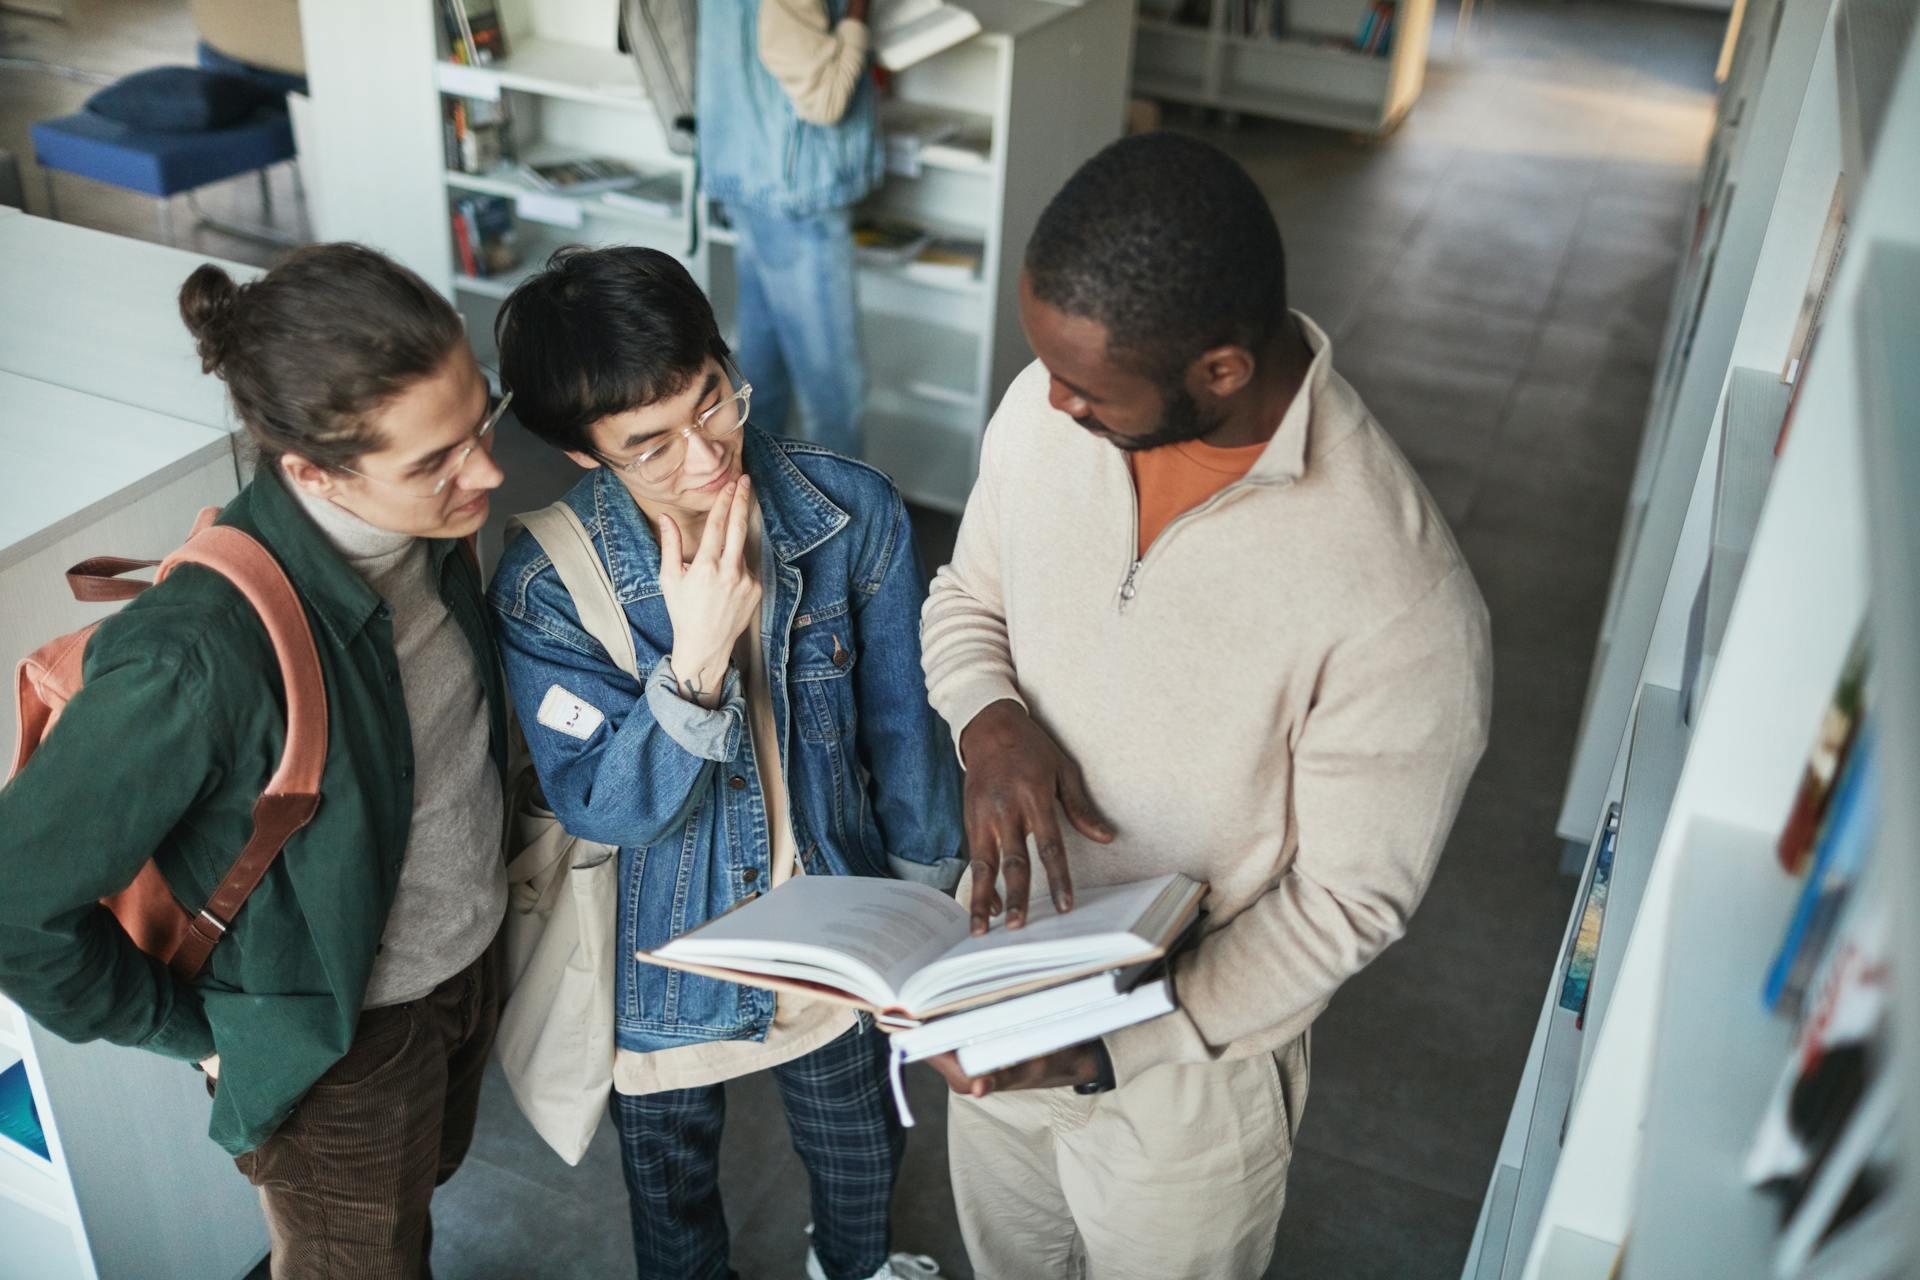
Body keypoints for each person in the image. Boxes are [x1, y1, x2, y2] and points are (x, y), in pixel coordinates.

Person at [919, 133, 1495, 1278]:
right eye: (1049, 370)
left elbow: (1346, 905)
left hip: (1184, 1088)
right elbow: (966, 593)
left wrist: (1110, 1047)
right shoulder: (1049, 407)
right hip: (1001, 984)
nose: (1053, 400)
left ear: (1223, 370)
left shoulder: (1398, 593)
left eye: (1088, 389)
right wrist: (989, 716)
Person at [0, 243, 512, 1278]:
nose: (489, 472)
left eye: (480, 423)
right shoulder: (194, 656)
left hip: (460, 974)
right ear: (312, 472)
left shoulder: (424, 532)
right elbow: (13, 901)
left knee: (406, 1226)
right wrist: (196, 1030)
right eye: (435, 460)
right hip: (336, 1047)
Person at [487, 245, 962, 1280]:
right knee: (671, 1200)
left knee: (861, 1152)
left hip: (834, 924)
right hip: (660, 963)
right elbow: (603, 807)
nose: (705, 457)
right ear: (584, 454)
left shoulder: (850, 512)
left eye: (714, 401)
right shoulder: (546, 586)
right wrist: (695, 663)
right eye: (649, 445)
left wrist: (928, 899)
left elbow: (905, 729)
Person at [699, 0, 884, 457]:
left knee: (759, 380)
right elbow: (824, 100)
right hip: (793, 184)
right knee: (834, 395)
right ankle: (847, 525)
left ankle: (761, 515)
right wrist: (858, 15)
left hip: (750, 165)